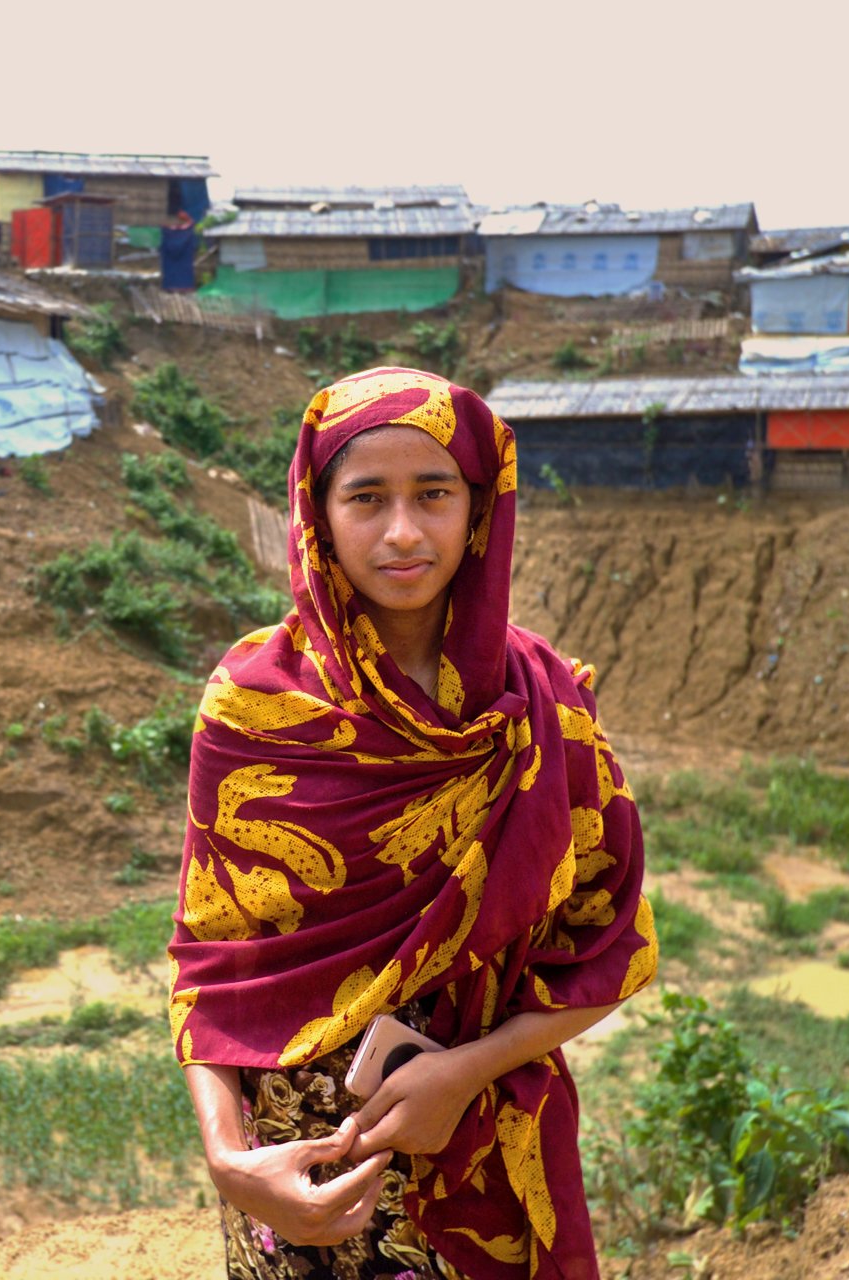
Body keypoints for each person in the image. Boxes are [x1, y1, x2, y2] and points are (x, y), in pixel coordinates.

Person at [170, 367, 658, 1280]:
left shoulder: (545, 708)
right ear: (317, 515)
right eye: (366, 498)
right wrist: (231, 1162)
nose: (402, 532)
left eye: (434, 494)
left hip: (485, 1162)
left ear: (480, 509)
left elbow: (611, 945)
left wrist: (464, 1070)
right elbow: (207, 961)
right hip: (298, 1176)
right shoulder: (252, 707)